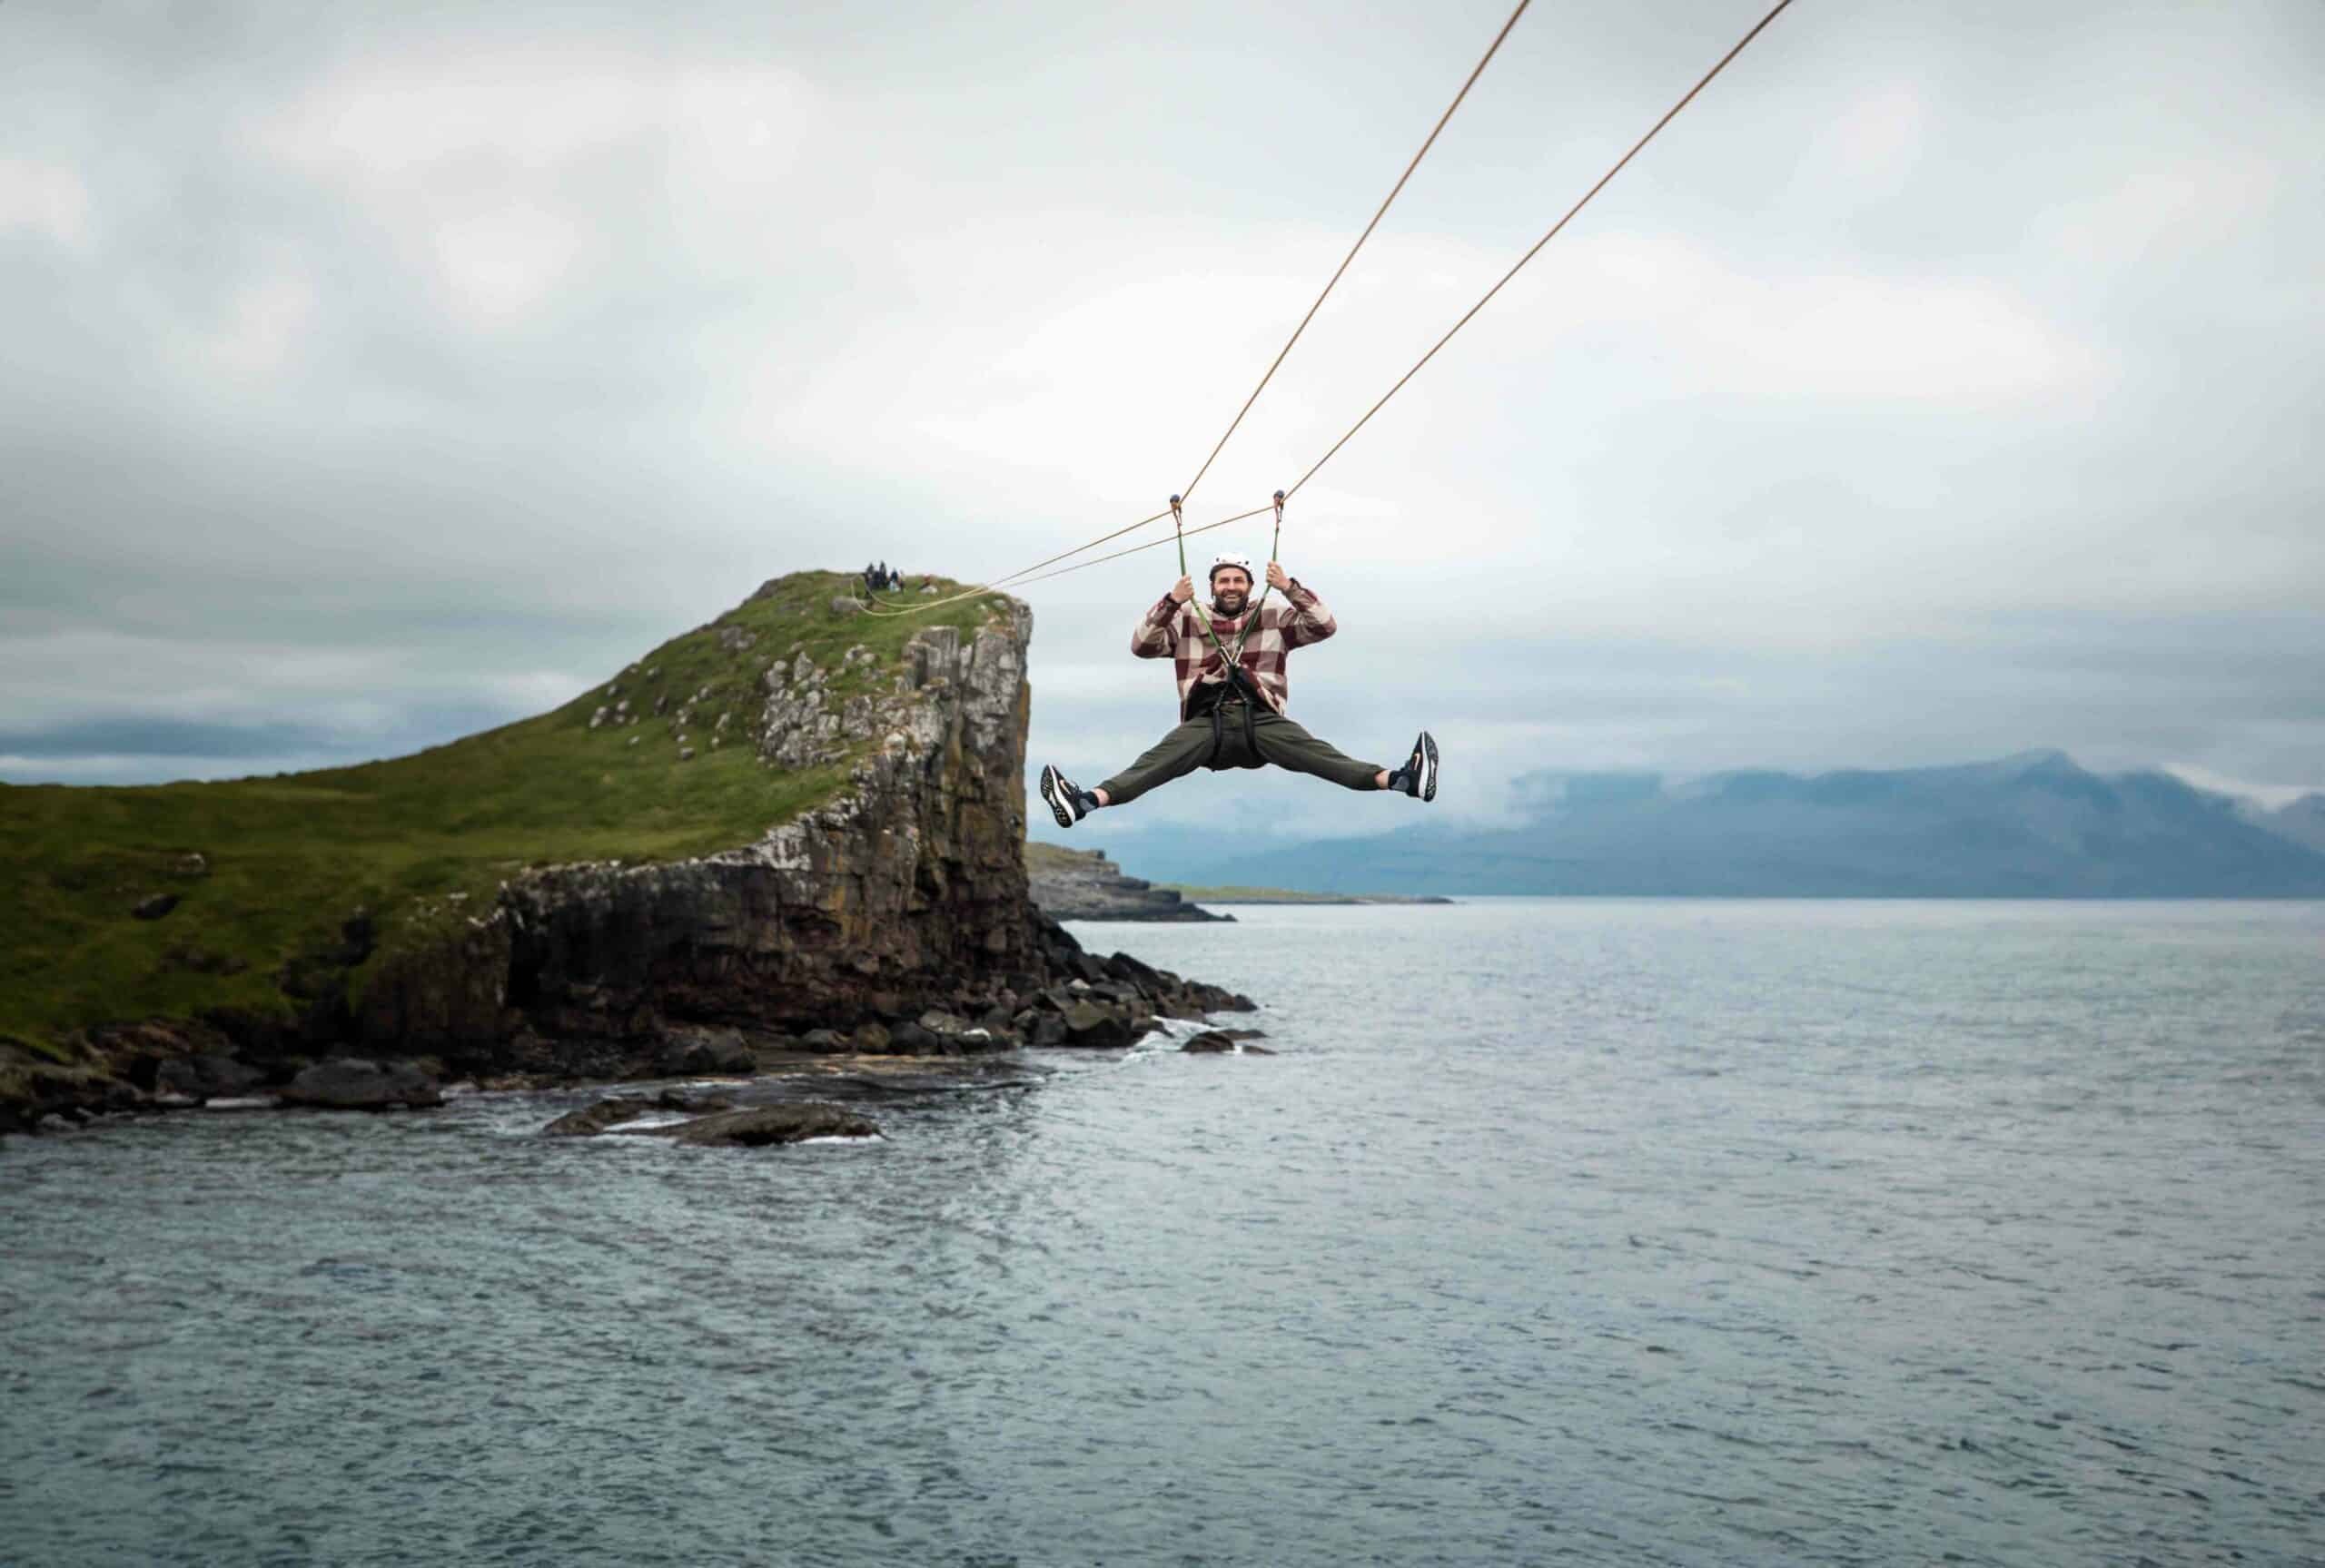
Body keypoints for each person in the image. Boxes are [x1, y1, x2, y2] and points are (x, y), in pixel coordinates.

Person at [1039, 554, 1437, 826]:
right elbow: (1141, 646)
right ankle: (1084, 802)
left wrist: (1288, 587)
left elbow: (1324, 625)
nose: (1231, 586)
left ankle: (1403, 780)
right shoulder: (1187, 617)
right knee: (1152, 765)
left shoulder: (1274, 615)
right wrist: (1170, 601)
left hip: (1260, 717)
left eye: (1238, 580)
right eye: (1223, 580)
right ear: (1212, 586)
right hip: (1206, 721)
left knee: (1323, 758)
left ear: (1248, 585)